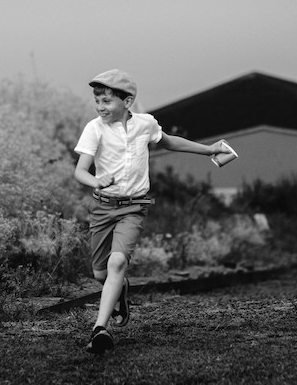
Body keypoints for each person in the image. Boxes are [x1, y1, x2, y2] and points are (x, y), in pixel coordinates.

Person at [74, 69, 233, 354]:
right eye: (97, 101)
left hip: (134, 206)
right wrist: (96, 180)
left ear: (127, 101)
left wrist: (208, 149)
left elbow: (169, 141)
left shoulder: (145, 124)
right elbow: (80, 171)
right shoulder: (94, 128)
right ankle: (120, 293)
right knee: (101, 274)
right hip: (102, 208)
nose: (100, 107)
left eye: (107, 101)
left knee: (117, 264)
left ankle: (100, 330)